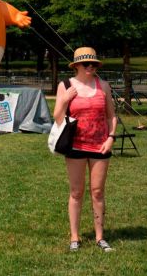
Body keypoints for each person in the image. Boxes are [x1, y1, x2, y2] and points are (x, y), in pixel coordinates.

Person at [53, 47, 117, 253]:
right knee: (76, 192)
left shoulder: (104, 86)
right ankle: (75, 236)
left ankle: (100, 237)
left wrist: (111, 138)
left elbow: (111, 116)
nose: (90, 67)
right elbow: (57, 117)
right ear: (76, 66)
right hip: (75, 146)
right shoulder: (65, 86)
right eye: (86, 64)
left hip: (100, 146)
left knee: (97, 192)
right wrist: (64, 99)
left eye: (94, 64)